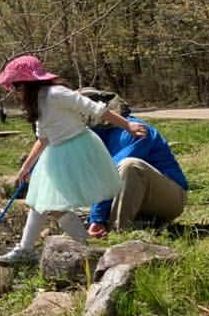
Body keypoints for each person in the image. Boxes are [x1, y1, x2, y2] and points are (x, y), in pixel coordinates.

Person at [0, 55, 149, 266]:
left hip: (76, 150)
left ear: (29, 82)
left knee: (55, 206)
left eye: (17, 86)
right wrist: (26, 167)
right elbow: (43, 139)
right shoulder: (37, 102)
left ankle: (85, 248)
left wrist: (127, 126)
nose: (15, 91)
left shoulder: (56, 94)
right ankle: (26, 249)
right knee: (39, 203)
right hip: (55, 154)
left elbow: (97, 110)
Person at [78, 89, 189, 236]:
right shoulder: (95, 137)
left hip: (170, 199)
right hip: (135, 198)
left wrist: (97, 218)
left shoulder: (133, 131)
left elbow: (110, 173)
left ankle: (118, 230)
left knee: (130, 166)